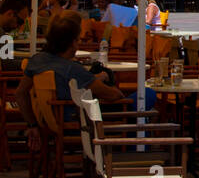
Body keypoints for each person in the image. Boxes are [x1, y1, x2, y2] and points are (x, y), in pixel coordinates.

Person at [16, 13, 127, 151]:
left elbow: (20, 94)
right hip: (76, 122)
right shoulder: (73, 69)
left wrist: (32, 124)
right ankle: (132, 151)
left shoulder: (37, 61)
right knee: (141, 99)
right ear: (73, 43)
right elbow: (112, 95)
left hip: (47, 121)